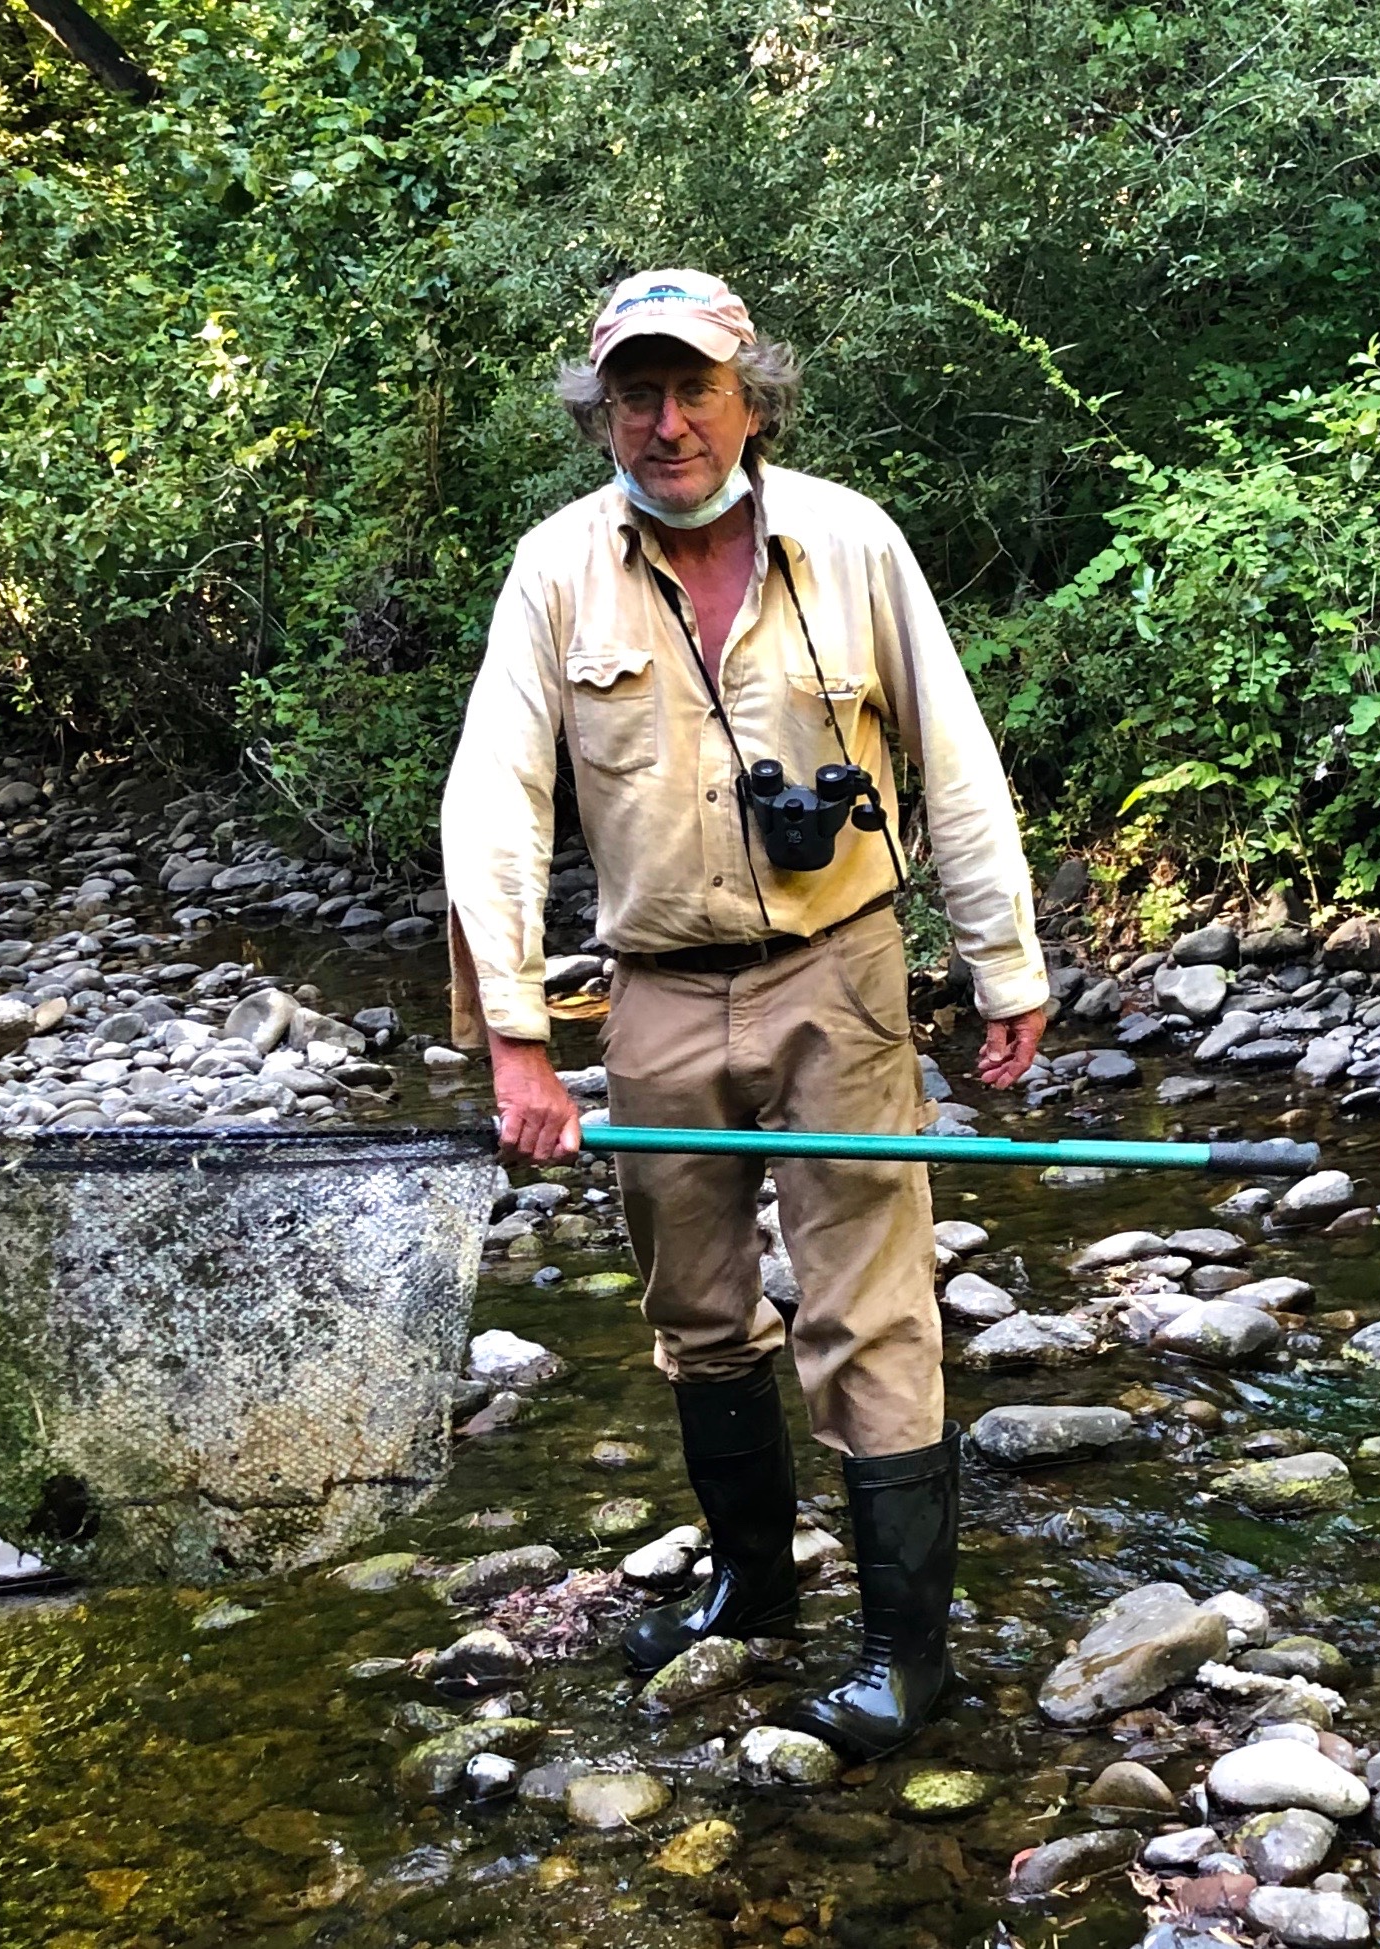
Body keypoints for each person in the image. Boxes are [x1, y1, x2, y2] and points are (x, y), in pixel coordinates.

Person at [441, 269, 1049, 1757]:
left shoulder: (850, 542)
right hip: (648, 987)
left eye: (691, 390)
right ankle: (753, 1592)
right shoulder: (555, 569)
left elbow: (953, 761)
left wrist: (1004, 967)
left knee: (870, 1313)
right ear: (603, 414)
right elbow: (495, 802)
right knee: (695, 1314)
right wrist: (516, 1034)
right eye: (633, 397)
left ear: (749, 400)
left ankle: (909, 1658)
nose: (663, 424)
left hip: (838, 976)